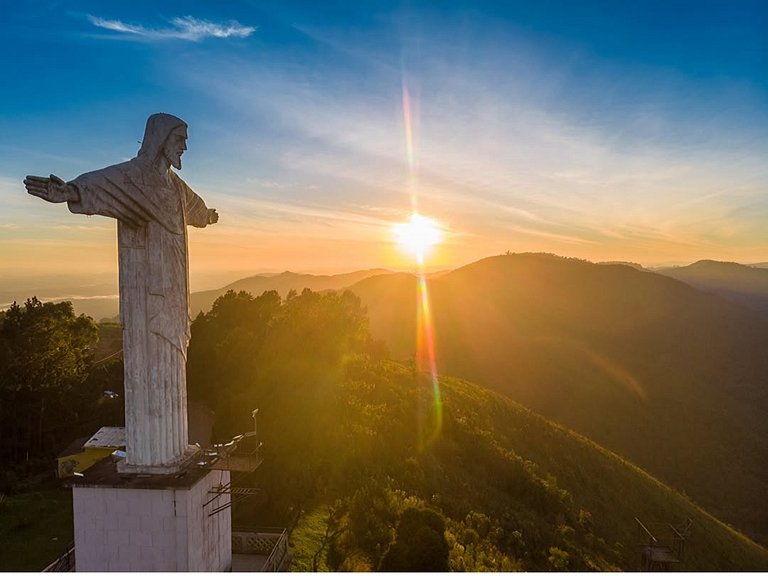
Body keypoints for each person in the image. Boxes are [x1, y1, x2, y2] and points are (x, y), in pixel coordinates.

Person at [25, 113, 218, 471]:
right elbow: (100, 185)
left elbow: (197, 209)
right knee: (153, 365)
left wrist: (208, 216)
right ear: (161, 139)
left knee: (173, 363)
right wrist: (68, 190)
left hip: (174, 294)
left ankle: (173, 450)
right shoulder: (134, 178)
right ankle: (153, 457)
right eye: (180, 139)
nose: (185, 146)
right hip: (148, 299)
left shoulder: (174, 186)